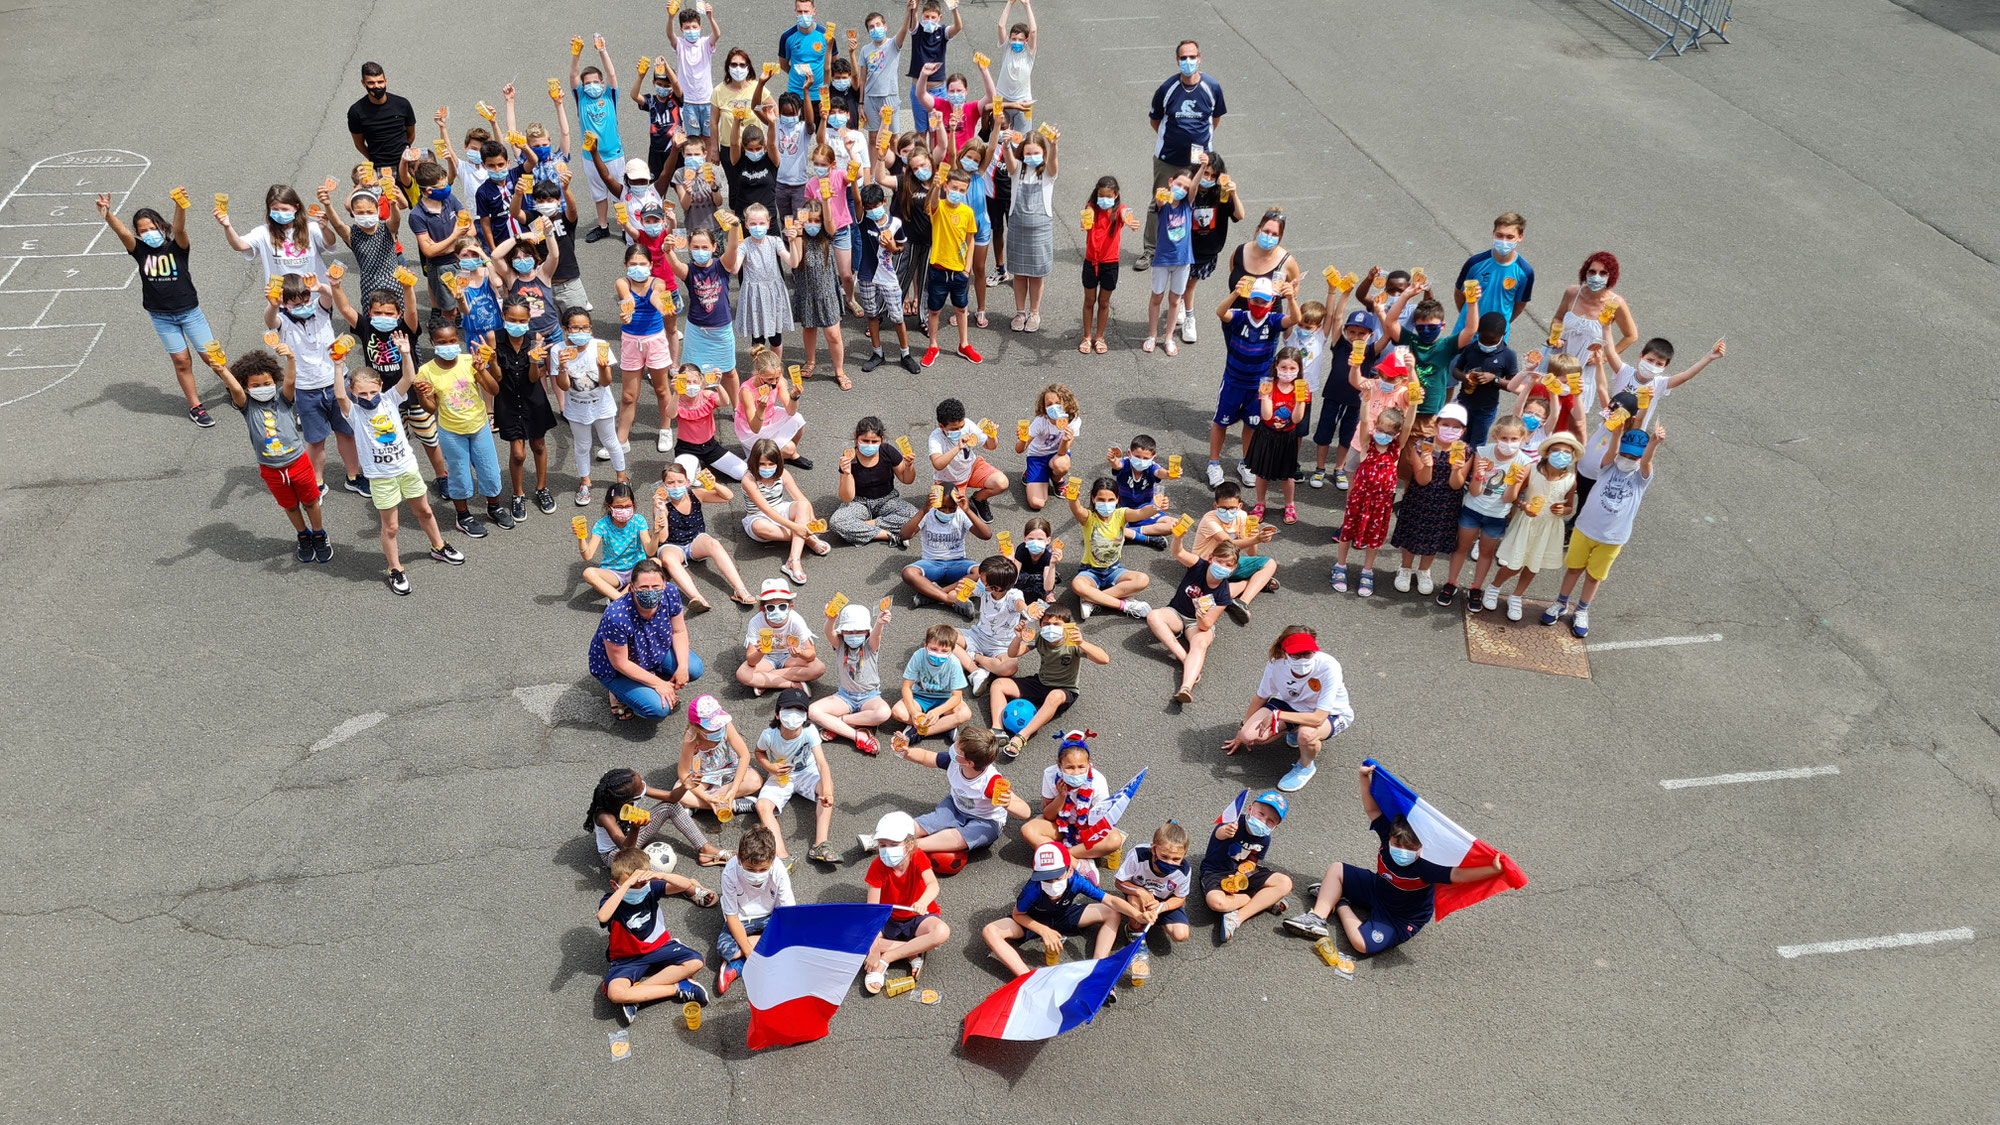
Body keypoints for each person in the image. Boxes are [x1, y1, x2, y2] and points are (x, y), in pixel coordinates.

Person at [1282, 762, 1508, 955]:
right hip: (1377, 890)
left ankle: (1341, 903)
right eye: (1397, 844)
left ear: (1422, 847)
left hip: (1399, 918)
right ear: (1390, 838)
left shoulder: (1427, 866)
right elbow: (1372, 810)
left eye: (1410, 847)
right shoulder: (1388, 835)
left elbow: (1458, 875)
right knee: (1336, 869)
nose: (1401, 850)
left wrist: (1493, 870)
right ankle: (1317, 919)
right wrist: (1364, 777)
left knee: (1361, 945)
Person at [333, 332, 463, 595]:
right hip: (381, 477)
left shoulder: (391, 399)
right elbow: (339, 397)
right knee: (391, 526)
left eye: (372, 391)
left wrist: (405, 352)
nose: (368, 396)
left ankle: (438, 546)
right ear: (353, 392)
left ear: (380, 386)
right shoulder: (354, 413)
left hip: (407, 469)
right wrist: (338, 365)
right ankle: (395, 568)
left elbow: (408, 379)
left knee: (425, 512)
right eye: (362, 393)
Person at [99, 192, 217, 427]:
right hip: (162, 317)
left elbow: (181, 229)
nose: (148, 233)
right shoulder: (139, 250)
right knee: (182, 361)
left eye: (152, 228)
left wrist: (180, 205)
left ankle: (234, 387)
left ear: (163, 227)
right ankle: (196, 406)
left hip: (190, 312)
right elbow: (122, 232)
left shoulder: (178, 246)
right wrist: (107, 213)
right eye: (142, 230)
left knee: (212, 357)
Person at [1544, 422, 1666, 639]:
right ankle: (1561, 603)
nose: (1628, 459)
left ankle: (1581, 610)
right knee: (1573, 569)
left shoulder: (1641, 478)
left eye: (1634, 457)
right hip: (1585, 529)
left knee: (1593, 577)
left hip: (1613, 538)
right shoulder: (1607, 466)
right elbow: (1612, 450)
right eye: (1626, 454)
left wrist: (1654, 443)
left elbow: (1647, 461)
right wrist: (1617, 432)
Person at [211, 346, 331, 563]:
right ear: (247, 387)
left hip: (298, 463)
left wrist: (291, 358)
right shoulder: (247, 406)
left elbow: (291, 382)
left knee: (311, 501)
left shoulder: (283, 400)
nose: (262, 388)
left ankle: (319, 533)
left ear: (274, 381)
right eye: (255, 385)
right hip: (271, 470)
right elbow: (235, 390)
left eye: (266, 383)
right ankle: (303, 535)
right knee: (290, 506)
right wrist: (223, 371)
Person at [1222, 626, 1353, 792]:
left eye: (1308, 653)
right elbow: (1261, 696)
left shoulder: (1329, 667)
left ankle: (1305, 767)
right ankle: (1292, 728)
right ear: (1284, 653)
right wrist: (1241, 731)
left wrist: (1279, 715)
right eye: (1296, 654)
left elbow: (1318, 718)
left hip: (1331, 713)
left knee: (1307, 735)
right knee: (1248, 736)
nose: (1303, 659)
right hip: (1291, 704)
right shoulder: (1276, 665)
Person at [982, 841, 1142, 976]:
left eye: (1057, 877)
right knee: (990, 931)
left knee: (1111, 911)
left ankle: (1098, 967)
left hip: (1064, 914)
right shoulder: (1033, 888)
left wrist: (1137, 914)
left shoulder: (1076, 881)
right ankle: (1027, 979)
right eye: (1046, 879)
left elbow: (1111, 900)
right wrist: (1043, 930)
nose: (1051, 884)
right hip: (1034, 920)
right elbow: (1018, 915)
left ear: (1070, 870)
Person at [597, 846, 713, 1027]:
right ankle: (678, 989)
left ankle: (636, 996)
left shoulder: (650, 888)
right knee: (615, 994)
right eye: (632, 885)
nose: (638, 888)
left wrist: (660, 875)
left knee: (696, 962)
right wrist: (627, 885)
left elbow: (687, 885)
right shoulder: (612, 900)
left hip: (659, 947)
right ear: (616, 885)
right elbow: (602, 917)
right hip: (627, 959)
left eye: (641, 883)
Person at [415, 323, 513, 536]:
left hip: (479, 427)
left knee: (490, 469)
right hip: (451, 432)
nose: (448, 346)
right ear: (432, 343)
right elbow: (431, 408)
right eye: (442, 342)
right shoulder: (426, 371)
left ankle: (494, 507)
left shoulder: (470, 361)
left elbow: (494, 389)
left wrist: (481, 371)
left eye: (452, 341)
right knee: (459, 474)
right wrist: (423, 395)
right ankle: (463, 516)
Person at [1139, 41, 1225, 270]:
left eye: (1192, 57)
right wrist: (1171, 141)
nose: (1188, 62)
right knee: (1160, 202)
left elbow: (1214, 119)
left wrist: (1203, 142)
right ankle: (1151, 249)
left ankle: (1190, 247)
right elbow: (1155, 120)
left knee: (1197, 203)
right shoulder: (1167, 89)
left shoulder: (1212, 87)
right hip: (1168, 158)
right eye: (1184, 58)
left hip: (1198, 161)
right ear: (1178, 61)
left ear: (1200, 58)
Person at [886, 725, 1029, 857]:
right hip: (956, 805)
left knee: (961, 837)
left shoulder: (991, 782)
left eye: (957, 748)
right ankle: (886, 837)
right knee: (932, 821)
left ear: (969, 763)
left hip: (986, 821)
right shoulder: (954, 761)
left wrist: (1008, 803)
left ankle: (910, 846)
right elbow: (926, 757)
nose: (953, 747)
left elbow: (1025, 812)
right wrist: (906, 753)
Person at [1208, 277, 1297, 487]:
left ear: (1272, 301)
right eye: (1255, 300)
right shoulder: (1240, 317)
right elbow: (1221, 312)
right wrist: (1235, 294)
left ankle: (1246, 463)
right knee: (1221, 422)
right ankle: (1213, 463)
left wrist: (1292, 298)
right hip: (1233, 380)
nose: (1259, 305)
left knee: (1252, 424)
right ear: (1249, 300)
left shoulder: (1274, 321)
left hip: (1261, 385)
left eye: (1264, 301)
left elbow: (1295, 318)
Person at [1437, 414, 1530, 610]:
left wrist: (1513, 483)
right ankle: (1451, 582)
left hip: (1497, 516)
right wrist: (1478, 476)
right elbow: (1474, 491)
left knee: (1486, 552)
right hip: (1473, 509)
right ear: (1496, 436)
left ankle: (1476, 588)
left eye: (1514, 439)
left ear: (1523, 439)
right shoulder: (1483, 452)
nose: (1509, 443)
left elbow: (1509, 498)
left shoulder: (1524, 462)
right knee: (1461, 547)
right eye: (1504, 438)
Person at [589, 559, 702, 720]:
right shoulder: (616, 616)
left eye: (655, 587)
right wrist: (659, 684)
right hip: (617, 669)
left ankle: (647, 683)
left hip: (651, 650)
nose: (650, 592)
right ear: (632, 588)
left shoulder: (670, 593)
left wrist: (682, 666)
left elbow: (678, 631)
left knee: (693, 668)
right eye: (644, 587)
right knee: (659, 709)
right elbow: (621, 663)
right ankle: (618, 691)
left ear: (664, 584)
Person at [990, 603, 1103, 758]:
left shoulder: (1072, 643)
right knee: (998, 684)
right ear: (1041, 626)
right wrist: (1018, 639)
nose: (1051, 628)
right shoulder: (1041, 638)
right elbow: (1013, 654)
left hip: (1064, 690)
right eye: (1046, 624)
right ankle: (997, 729)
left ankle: (1022, 737)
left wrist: (1082, 643)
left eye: (1056, 624)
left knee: (1054, 696)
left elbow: (1104, 659)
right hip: (1041, 683)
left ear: (1067, 626)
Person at [1492, 431, 1582, 620]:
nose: (1561, 455)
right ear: (1547, 453)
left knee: (1533, 566)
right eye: (1556, 450)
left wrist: (1563, 510)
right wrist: (1523, 506)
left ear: (1572, 457)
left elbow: (1570, 506)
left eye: (1566, 452)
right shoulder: (1532, 470)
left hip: (1549, 528)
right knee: (1515, 564)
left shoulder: (1571, 479)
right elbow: (1516, 495)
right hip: (1527, 523)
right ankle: (1494, 586)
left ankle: (1516, 596)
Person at [861, 810, 953, 993]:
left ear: (910, 845)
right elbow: (872, 912)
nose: (886, 850)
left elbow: (933, 885)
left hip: (917, 918)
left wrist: (923, 901)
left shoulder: (918, 856)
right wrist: (872, 948)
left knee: (941, 932)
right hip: (889, 920)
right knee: (859, 937)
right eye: (882, 845)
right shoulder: (877, 866)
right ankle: (912, 950)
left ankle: (887, 958)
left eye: (894, 844)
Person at [1331, 405, 1417, 598]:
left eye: (1388, 432)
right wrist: (1366, 401)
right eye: (1380, 429)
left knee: (1375, 537)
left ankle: (1367, 571)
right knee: (1347, 532)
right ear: (1375, 426)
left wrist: (1414, 403)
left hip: (1381, 504)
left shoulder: (1395, 449)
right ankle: (1340, 565)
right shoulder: (1367, 444)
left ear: (1396, 434)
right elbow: (1363, 421)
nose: (1382, 434)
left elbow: (1409, 423)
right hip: (1359, 500)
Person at [653, 455, 756, 612]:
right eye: (670, 483)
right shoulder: (662, 504)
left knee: (714, 544)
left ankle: (740, 589)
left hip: (695, 540)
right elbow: (663, 537)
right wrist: (661, 511)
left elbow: (727, 496)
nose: (676, 486)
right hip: (672, 545)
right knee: (668, 559)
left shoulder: (696, 494)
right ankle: (697, 598)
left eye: (680, 482)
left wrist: (713, 484)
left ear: (687, 483)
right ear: (663, 485)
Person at [751, 687, 839, 866]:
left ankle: (821, 844)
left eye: (799, 710)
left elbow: (822, 763)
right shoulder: (769, 735)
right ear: (777, 714)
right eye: (788, 709)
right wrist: (770, 767)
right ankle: (781, 856)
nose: (793, 714)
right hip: (781, 776)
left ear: (806, 716)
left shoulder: (810, 731)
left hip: (807, 772)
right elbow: (759, 752)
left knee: (826, 785)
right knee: (762, 805)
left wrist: (827, 792)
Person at [1390, 406, 1470, 596]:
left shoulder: (1466, 452)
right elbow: (1422, 480)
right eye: (1446, 425)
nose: (1450, 430)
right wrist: (1427, 466)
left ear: (1463, 431)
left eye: (1456, 427)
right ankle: (1405, 567)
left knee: (1435, 538)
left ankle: (1424, 570)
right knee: (1412, 534)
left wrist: (1456, 469)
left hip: (1446, 502)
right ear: (1436, 425)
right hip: (1420, 499)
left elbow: (1457, 485)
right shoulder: (1420, 446)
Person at [1147, 539, 1238, 704]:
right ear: (1211, 558)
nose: (1222, 567)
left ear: (1233, 569)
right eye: (1219, 561)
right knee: (1154, 616)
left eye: (1228, 565)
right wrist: (1178, 537)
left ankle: (1186, 688)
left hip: (1197, 624)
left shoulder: (1223, 594)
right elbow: (1178, 552)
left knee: (1201, 643)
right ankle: (1184, 658)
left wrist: (1201, 617)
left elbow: (1207, 625)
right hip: (1176, 612)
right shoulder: (1199, 566)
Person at [489, 296, 558, 517]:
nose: (517, 325)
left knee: (538, 445)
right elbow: (497, 378)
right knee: (518, 454)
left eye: (521, 321)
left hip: (533, 399)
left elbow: (533, 378)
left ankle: (541, 488)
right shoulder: (494, 338)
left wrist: (536, 360)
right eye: (512, 320)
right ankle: (517, 494)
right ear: (503, 317)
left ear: (528, 319)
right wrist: (491, 361)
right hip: (508, 400)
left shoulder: (535, 338)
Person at [586, 766, 729, 869]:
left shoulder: (633, 791)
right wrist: (635, 829)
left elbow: (672, 798)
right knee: (636, 866)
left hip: (631, 834)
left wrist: (685, 786)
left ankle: (706, 849)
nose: (643, 785)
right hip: (617, 854)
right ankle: (676, 885)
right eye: (640, 786)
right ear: (626, 799)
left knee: (670, 806)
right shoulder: (605, 816)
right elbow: (626, 849)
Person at [553, 306, 625, 506]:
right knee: (583, 446)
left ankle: (621, 478)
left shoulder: (600, 346)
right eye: (575, 328)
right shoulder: (558, 350)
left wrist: (603, 368)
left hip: (602, 406)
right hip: (576, 409)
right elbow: (564, 386)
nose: (581, 332)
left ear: (591, 329)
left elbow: (606, 382)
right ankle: (585, 481)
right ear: (565, 329)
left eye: (585, 328)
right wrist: (562, 367)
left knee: (611, 442)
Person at [1020, 732, 1126, 865]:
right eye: (1069, 768)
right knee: (1028, 830)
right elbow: (1048, 815)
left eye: (1081, 767)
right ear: (1060, 766)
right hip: (1059, 825)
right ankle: (1079, 865)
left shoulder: (1098, 781)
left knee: (1114, 840)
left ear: (1089, 763)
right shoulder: (1051, 775)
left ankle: (1062, 855)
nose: (1076, 773)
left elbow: (1098, 821)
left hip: (1086, 829)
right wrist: (1061, 796)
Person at [1201, 790, 1293, 943]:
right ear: (1250, 809)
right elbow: (1219, 833)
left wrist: (1240, 875)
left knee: (1285, 883)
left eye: (1271, 821)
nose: (1263, 821)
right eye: (1261, 814)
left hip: (1242, 873)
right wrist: (1225, 830)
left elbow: (1252, 861)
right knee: (1216, 902)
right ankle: (1263, 900)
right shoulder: (1233, 824)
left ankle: (1236, 918)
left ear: (1276, 826)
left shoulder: (1265, 839)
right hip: (1215, 871)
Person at [714, 823, 795, 995]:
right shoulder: (729, 872)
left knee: (795, 934)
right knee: (725, 949)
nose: (757, 875)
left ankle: (738, 965)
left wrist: (747, 947)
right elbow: (732, 917)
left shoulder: (779, 870)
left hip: (771, 916)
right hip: (742, 920)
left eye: (763, 869)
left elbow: (789, 915)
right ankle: (761, 949)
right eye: (750, 869)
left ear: (772, 860)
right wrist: (750, 951)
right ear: (738, 859)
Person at [742, 437, 830, 588]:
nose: (767, 468)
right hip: (758, 516)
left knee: (803, 506)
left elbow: (801, 498)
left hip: (780, 508)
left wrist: (812, 517)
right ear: (754, 462)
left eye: (771, 464)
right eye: (762, 464)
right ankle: (807, 538)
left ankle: (793, 560)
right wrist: (797, 528)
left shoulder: (783, 473)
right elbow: (767, 510)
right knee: (760, 527)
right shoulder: (748, 480)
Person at [1068, 477, 1158, 621]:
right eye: (1101, 500)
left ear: (1117, 499)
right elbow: (1077, 509)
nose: (1106, 503)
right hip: (1090, 571)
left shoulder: (1122, 514)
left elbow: (1141, 513)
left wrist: (1156, 506)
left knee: (1142, 579)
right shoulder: (1088, 518)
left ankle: (1092, 600)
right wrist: (1072, 499)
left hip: (1114, 570)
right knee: (1077, 585)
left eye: (1110, 500)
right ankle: (1125, 605)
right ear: (1093, 499)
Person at [614, 244, 676, 453]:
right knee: (628, 396)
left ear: (650, 265)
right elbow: (628, 299)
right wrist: (627, 313)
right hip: (631, 341)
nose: (638, 268)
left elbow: (655, 296)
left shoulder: (658, 282)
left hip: (655, 341)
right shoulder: (622, 282)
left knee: (661, 389)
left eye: (642, 264)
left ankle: (665, 430)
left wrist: (662, 308)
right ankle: (620, 440)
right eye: (633, 264)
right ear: (625, 265)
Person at [1114, 822, 1193, 984]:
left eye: (1176, 859)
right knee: (1137, 903)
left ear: (1184, 855)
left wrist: (1163, 906)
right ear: (1153, 849)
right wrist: (1140, 891)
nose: (1170, 863)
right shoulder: (1138, 855)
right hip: (1138, 893)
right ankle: (1135, 931)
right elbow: (1119, 882)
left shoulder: (1184, 871)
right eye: (1164, 857)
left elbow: (1180, 898)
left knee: (1181, 935)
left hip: (1164, 900)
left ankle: (1153, 919)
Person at [1186, 481, 1280, 617]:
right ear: (1215, 506)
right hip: (1206, 565)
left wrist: (1253, 538)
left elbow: (1251, 553)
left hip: (1228, 564)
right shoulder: (1209, 520)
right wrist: (1257, 539)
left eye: (1232, 508)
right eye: (1223, 508)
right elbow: (1228, 543)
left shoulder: (1242, 516)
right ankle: (1254, 582)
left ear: (1239, 506)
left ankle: (1242, 602)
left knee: (1269, 563)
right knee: (1211, 596)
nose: (1228, 512)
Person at [812, 601, 894, 755]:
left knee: (883, 712)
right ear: (842, 632)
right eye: (849, 631)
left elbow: (877, 634)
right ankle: (858, 735)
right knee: (813, 711)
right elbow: (828, 633)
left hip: (870, 696)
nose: (854, 635)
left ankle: (840, 722)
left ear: (867, 632)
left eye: (859, 631)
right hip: (845, 696)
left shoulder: (870, 645)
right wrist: (831, 619)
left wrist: (880, 623)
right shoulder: (840, 645)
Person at [784, 197, 848, 387]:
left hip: (826, 292)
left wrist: (826, 201)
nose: (813, 224)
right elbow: (795, 262)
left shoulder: (827, 236)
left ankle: (839, 370)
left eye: (816, 220)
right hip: (806, 291)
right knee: (809, 328)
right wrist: (794, 237)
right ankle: (810, 361)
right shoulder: (800, 237)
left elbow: (829, 221)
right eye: (808, 220)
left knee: (833, 334)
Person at [922, 168, 983, 367]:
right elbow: (930, 204)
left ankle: (964, 344)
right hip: (938, 268)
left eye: (962, 189)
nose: (957, 192)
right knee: (934, 311)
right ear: (946, 187)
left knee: (961, 308)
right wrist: (935, 187)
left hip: (959, 272)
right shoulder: (938, 206)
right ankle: (933, 345)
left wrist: (967, 269)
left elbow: (971, 240)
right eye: (954, 187)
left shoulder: (967, 212)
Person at [1242, 346, 1309, 523]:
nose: (1287, 372)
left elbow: (1296, 419)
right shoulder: (1268, 385)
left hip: (1287, 437)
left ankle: (1289, 504)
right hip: (1267, 434)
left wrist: (1300, 401)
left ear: (1299, 370)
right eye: (1284, 367)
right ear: (1277, 366)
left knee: (1287, 475)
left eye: (1292, 368)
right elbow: (1266, 416)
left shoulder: (1301, 388)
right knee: (1262, 473)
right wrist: (1265, 396)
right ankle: (1260, 503)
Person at [217, 184, 334, 284]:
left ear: (296, 207)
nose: (280, 213)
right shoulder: (263, 232)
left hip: (315, 295)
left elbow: (330, 242)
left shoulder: (311, 228)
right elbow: (239, 245)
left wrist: (324, 228)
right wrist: (227, 226)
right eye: (275, 209)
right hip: (281, 299)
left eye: (284, 209)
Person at [1182, 151, 1242, 343]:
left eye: (1212, 176)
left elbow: (1239, 216)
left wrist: (1234, 193)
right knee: (1186, 283)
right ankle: (1188, 316)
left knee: (1190, 283)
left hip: (1208, 250)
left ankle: (1183, 305)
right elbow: (1190, 191)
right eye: (1206, 173)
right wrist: (1200, 168)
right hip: (1187, 248)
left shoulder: (1221, 194)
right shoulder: (1190, 190)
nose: (1208, 179)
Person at [570, 34, 626, 241]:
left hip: (613, 154)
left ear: (602, 84)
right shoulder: (581, 98)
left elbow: (612, 73)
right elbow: (573, 74)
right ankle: (602, 226)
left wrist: (602, 50)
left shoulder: (609, 95)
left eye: (596, 82)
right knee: (598, 193)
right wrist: (576, 54)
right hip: (590, 157)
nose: (592, 85)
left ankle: (624, 227)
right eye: (588, 83)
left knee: (618, 192)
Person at [832, 417, 920, 546]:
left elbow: (907, 480)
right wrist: (847, 473)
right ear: (856, 437)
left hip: (887, 499)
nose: (870, 445)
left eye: (874, 441)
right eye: (865, 441)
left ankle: (866, 527)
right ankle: (889, 535)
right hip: (859, 502)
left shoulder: (887, 451)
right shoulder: (850, 457)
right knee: (837, 522)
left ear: (882, 439)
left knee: (915, 517)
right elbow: (847, 498)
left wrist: (909, 466)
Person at [1003, 125, 1057, 332]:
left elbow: (1053, 165)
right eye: (1028, 153)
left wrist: (1054, 146)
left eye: (1036, 153)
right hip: (1018, 227)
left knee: (1036, 274)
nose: (1032, 156)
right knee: (1019, 274)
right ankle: (1020, 312)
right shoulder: (1018, 170)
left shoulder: (1048, 173)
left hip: (1041, 229)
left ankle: (1034, 312)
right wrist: (1006, 145)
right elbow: (1009, 165)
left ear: (1043, 152)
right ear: (1022, 153)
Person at [1078, 176, 1138, 355]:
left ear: (1116, 195)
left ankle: (1100, 337)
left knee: (1104, 302)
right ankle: (1087, 337)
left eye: (1108, 196)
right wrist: (1084, 224)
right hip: (1091, 262)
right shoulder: (1091, 208)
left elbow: (1125, 214)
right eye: (1101, 195)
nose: (1104, 200)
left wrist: (1129, 221)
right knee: (1089, 301)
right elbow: (1086, 220)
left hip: (1110, 265)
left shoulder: (1119, 210)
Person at [1452, 211, 1533, 344]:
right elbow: (1459, 293)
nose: (1504, 241)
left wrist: (1501, 324)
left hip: (1495, 339)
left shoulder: (1525, 272)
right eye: (1499, 235)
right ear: (1493, 234)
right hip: (1465, 332)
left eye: (1510, 237)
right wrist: (1468, 316)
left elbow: (1520, 306)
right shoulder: (1474, 263)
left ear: (1520, 237)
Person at [738, 576, 827, 694]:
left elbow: (811, 655)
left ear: (790, 607)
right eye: (770, 607)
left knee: (818, 668)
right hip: (766, 658)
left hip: (789, 657)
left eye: (782, 606)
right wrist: (760, 652)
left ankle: (765, 681)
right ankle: (791, 684)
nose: (777, 611)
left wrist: (801, 652)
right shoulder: (756, 622)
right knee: (742, 674)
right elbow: (751, 661)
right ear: (763, 609)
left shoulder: (796, 620)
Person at [1143, 168, 1197, 356]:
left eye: (1186, 187)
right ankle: (1152, 335)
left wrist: (1203, 167)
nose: (1181, 189)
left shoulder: (1187, 205)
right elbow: (1158, 202)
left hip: (1182, 261)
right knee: (1156, 297)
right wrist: (1162, 194)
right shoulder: (1164, 203)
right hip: (1162, 260)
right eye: (1179, 184)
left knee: (1175, 300)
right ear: (1171, 181)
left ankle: (1168, 338)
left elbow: (1195, 186)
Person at [925, 397, 1007, 522]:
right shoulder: (936, 438)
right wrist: (958, 447)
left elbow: (990, 446)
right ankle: (961, 502)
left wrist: (992, 436)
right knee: (951, 517)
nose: (959, 430)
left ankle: (978, 499)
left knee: (1002, 483)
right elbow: (938, 464)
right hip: (949, 481)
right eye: (954, 429)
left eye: (961, 426)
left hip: (972, 468)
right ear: (941, 426)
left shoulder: (968, 424)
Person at [891, 623, 973, 739]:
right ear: (925, 645)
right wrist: (914, 712)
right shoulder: (918, 656)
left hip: (945, 699)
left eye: (944, 651)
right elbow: (906, 687)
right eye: (934, 649)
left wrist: (937, 711)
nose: (938, 654)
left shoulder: (954, 662)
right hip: (920, 697)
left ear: (952, 650)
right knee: (897, 712)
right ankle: (945, 725)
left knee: (964, 713)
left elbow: (957, 696)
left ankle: (919, 732)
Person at [579, 483, 657, 599]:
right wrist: (581, 537)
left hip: (637, 569)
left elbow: (650, 551)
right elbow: (588, 556)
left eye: (628, 506)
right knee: (588, 573)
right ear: (609, 507)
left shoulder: (639, 521)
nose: (624, 510)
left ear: (633, 505)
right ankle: (623, 598)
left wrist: (657, 532)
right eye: (619, 507)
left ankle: (618, 598)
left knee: (656, 562)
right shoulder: (602, 525)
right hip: (613, 574)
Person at [347, 62, 418, 175]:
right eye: (371, 83)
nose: (377, 86)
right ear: (363, 83)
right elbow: (359, 144)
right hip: (381, 168)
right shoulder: (356, 112)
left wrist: (404, 153)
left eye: (380, 82)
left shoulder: (402, 104)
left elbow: (411, 134)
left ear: (386, 81)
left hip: (406, 163)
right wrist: (375, 159)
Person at [904, 0, 962, 120]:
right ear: (922, 16)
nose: (929, 20)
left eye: (933, 17)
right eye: (926, 16)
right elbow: (912, 18)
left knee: (936, 130)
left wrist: (954, 9)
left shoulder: (943, 31)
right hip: (919, 89)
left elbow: (958, 27)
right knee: (921, 131)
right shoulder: (917, 29)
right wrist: (916, 4)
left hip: (938, 90)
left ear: (939, 18)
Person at [992, 0, 1038, 130]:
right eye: (1014, 39)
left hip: (1023, 101)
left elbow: (1033, 30)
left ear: (1026, 41)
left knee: (1022, 140)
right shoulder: (1007, 48)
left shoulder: (1029, 53)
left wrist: (1027, 5)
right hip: (1002, 99)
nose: (1016, 42)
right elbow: (1001, 26)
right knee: (998, 135)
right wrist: (1010, 3)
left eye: (1020, 40)